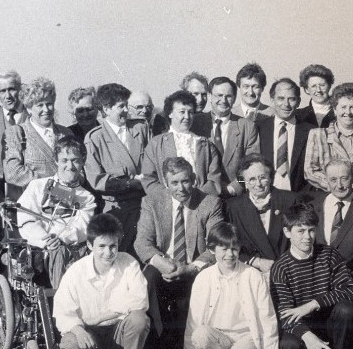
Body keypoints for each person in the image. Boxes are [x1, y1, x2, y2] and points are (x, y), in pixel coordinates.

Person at [54, 213, 152, 349]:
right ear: (90, 245)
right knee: (69, 344)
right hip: (90, 334)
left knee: (140, 319)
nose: (108, 253)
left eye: (113, 246)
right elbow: (63, 311)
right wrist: (79, 329)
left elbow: (139, 301)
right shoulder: (76, 272)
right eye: (101, 246)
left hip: (119, 331)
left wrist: (101, 316)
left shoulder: (129, 263)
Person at [134, 157, 223, 349]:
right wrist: (164, 264)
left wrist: (191, 268)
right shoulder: (152, 202)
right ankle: (157, 341)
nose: (181, 188)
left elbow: (216, 245)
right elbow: (142, 242)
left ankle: (199, 343)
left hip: (196, 266)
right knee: (147, 277)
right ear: (166, 183)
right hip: (164, 265)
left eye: (185, 181)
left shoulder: (210, 203)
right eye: (174, 183)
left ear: (194, 179)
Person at [270, 202, 353, 349]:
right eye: (300, 231)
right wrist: (307, 336)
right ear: (287, 232)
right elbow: (285, 314)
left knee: (346, 310)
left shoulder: (329, 255)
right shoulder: (281, 267)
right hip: (302, 325)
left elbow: (350, 290)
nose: (307, 237)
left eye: (311, 230)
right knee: (288, 346)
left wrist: (313, 304)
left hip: (328, 321)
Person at [184, 222, 279, 349]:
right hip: (219, 337)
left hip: (246, 336)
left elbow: (267, 318)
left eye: (234, 249)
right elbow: (194, 320)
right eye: (224, 249)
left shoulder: (253, 275)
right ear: (212, 250)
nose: (230, 254)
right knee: (200, 335)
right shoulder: (204, 278)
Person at [17, 136, 96, 290]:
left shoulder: (87, 197)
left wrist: (61, 238)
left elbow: (82, 227)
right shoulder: (37, 186)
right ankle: (61, 300)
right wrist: (46, 240)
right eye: (64, 160)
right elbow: (26, 219)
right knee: (57, 252)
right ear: (56, 161)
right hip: (40, 248)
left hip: (70, 248)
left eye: (75, 160)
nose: (70, 166)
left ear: (83, 162)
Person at [85, 83, 152, 255]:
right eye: (121, 106)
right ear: (106, 109)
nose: (126, 111)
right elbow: (97, 180)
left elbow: (153, 162)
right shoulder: (95, 138)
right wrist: (131, 184)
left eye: (126, 105)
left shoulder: (141, 128)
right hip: (117, 209)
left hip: (145, 205)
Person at [312, 159, 353, 322]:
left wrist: (341, 270)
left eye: (344, 178)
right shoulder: (314, 205)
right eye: (333, 180)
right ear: (326, 180)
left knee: (346, 314)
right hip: (316, 283)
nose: (339, 185)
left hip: (352, 282)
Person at [224, 155, 302, 273]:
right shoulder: (233, 207)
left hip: (289, 270)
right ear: (244, 182)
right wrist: (256, 262)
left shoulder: (289, 200)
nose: (258, 184)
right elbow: (227, 246)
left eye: (262, 178)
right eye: (252, 179)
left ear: (270, 178)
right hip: (250, 272)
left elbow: (302, 238)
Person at [4, 76, 72, 201]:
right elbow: (12, 172)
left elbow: (80, 169)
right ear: (29, 108)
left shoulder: (66, 133)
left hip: (66, 203)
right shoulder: (17, 133)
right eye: (40, 105)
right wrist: (54, 186)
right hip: (33, 205)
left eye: (49, 104)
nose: (46, 110)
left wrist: (71, 182)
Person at [142, 90, 222, 196]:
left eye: (190, 112)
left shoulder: (206, 145)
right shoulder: (155, 144)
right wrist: (171, 198)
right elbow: (149, 179)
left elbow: (214, 180)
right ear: (170, 113)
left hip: (200, 204)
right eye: (182, 112)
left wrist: (196, 198)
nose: (187, 117)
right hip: (167, 206)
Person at [191, 76, 260, 197]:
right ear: (210, 96)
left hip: (236, 197)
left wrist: (235, 187)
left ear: (234, 98)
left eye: (228, 96)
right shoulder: (195, 124)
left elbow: (252, 167)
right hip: (202, 196)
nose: (223, 100)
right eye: (219, 95)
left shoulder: (247, 127)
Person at [256, 78, 314, 193]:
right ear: (272, 100)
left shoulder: (311, 131)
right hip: (266, 197)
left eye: (291, 99)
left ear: (298, 101)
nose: (286, 104)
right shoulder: (258, 129)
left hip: (300, 199)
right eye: (281, 98)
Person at [295, 64, 336, 128]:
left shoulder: (340, 113)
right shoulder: (297, 115)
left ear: (329, 86)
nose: (318, 90)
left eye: (322, 85)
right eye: (313, 86)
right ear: (306, 89)